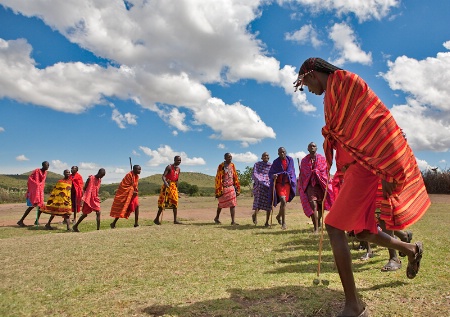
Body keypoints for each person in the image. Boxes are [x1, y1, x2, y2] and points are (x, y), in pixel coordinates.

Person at [294, 57, 430, 317]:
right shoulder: (332, 93)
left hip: (364, 167)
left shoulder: (345, 81)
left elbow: (379, 123)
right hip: (351, 170)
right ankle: (411, 249)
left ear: (311, 74)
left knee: (334, 226)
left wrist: (390, 169)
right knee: (362, 232)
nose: (308, 91)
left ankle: (354, 305)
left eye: (305, 84)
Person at [298, 142, 334, 233]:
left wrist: (316, 172)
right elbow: (303, 174)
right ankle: (316, 228)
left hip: (320, 185)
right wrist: (311, 173)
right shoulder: (304, 160)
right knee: (313, 205)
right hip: (310, 185)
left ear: (316, 148)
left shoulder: (322, 159)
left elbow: (324, 171)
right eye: (310, 146)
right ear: (308, 149)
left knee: (320, 206)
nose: (312, 148)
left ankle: (318, 221)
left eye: (314, 146)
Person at [268, 147, 296, 230]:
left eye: (283, 152)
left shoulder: (290, 160)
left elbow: (291, 171)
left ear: (286, 152)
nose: (282, 154)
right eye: (280, 152)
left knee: (284, 203)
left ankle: (278, 216)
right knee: (283, 201)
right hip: (280, 184)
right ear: (278, 153)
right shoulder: (276, 162)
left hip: (287, 183)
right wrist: (274, 175)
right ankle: (283, 223)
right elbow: (271, 173)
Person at [17, 161, 49, 227]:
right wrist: (36, 185)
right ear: (43, 165)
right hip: (34, 192)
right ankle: (21, 220)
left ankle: (36, 221)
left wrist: (40, 186)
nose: (47, 166)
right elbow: (30, 179)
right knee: (31, 207)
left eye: (48, 165)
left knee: (41, 207)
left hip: (39, 192)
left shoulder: (45, 173)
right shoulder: (37, 171)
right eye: (46, 165)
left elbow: (42, 182)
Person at [154, 156, 182, 225]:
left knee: (175, 202)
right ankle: (156, 219)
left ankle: (175, 220)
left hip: (173, 187)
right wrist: (166, 183)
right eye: (178, 160)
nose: (179, 162)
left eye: (180, 160)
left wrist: (177, 190)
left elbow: (177, 180)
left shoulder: (178, 169)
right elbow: (163, 176)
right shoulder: (169, 167)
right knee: (163, 202)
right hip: (167, 186)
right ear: (174, 160)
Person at [214, 153, 241, 225]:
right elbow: (218, 177)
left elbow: (235, 175)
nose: (230, 158)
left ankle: (233, 221)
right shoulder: (221, 166)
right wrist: (219, 189)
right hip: (223, 188)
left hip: (231, 187)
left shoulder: (232, 165)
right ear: (225, 158)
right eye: (228, 157)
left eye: (231, 157)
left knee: (233, 204)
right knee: (221, 204)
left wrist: (237, 187)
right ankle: (217, 217)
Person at [251, 152, 272, 226]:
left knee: (269, 204)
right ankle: (255, 215)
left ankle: (267, 222)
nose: (266, 157)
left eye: (267, 155)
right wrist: (261, 180)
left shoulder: (271, 166)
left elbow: (272, 174)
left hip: (268, 187)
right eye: (264, 156)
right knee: (258, 203)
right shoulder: (257, 165)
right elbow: (254, 174)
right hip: (260, 187)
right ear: (261, 157)